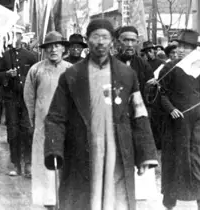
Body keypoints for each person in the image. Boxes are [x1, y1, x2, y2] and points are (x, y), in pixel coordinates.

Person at [44, 18, 157, 210]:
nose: (101, 42)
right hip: (81, 148)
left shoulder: (127, 74)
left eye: (105, 37)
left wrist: (145, 152)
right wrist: (54, 149)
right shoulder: (72, 75)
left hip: (118, 149)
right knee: (82, 199)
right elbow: (56, 116)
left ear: (112, 41)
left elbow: (139, 113)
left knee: (117, 200)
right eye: (95, 37)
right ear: (88, 40)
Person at [159, 29, 200, 210]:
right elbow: (160, 93)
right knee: (174, 163)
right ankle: (169, 201)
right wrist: (171, 109)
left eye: (186, 47)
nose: (181, 50)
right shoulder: (168, 68)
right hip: (175, 125)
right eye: (179, 46)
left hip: (196, 124)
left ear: (194, 50)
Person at [24, 31, 72, 210]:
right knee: (43, 163)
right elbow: (29, 97)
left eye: (57, 45)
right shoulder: (36, 70)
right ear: (44, 49)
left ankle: (64, 200)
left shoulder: (70, 70)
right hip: (43, 126)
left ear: (63, 48)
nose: (53, 49)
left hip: (65, 126)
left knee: (64, 161)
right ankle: (48, 202)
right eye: (49, 46)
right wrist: (34, 120)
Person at [0, 25, 38, 177]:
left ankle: (29, 163)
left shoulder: (31, 56)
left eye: (17, 35)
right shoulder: (5, 56)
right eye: (12, 34)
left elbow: (37, 75)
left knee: (28, 130)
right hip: (11, 99)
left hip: (27, 100)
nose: (15, 37)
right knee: (13, 131)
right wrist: (6, 74)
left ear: (21, 36)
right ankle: (16, 163)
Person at [116, 26, 154, 97]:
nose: (130, 45)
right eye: (126, 40)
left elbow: (150, 94)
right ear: (118, 42)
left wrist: (151, 87)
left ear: (137, 42)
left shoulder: (143, 64)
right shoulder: (109, 63)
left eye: (133, 41)